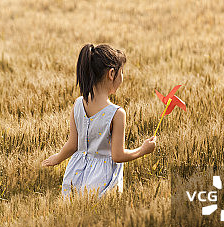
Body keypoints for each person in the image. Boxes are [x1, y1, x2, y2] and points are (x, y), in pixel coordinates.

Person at [41, 43, 156, 198]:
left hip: (75, 173)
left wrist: (57, 158)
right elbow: (118, 155)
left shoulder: (78, 104)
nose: (123, 77)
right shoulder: (116, 113)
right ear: (111, 73)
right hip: (101, 179)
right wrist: (143, 150)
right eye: (122, 72)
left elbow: (72, 145)